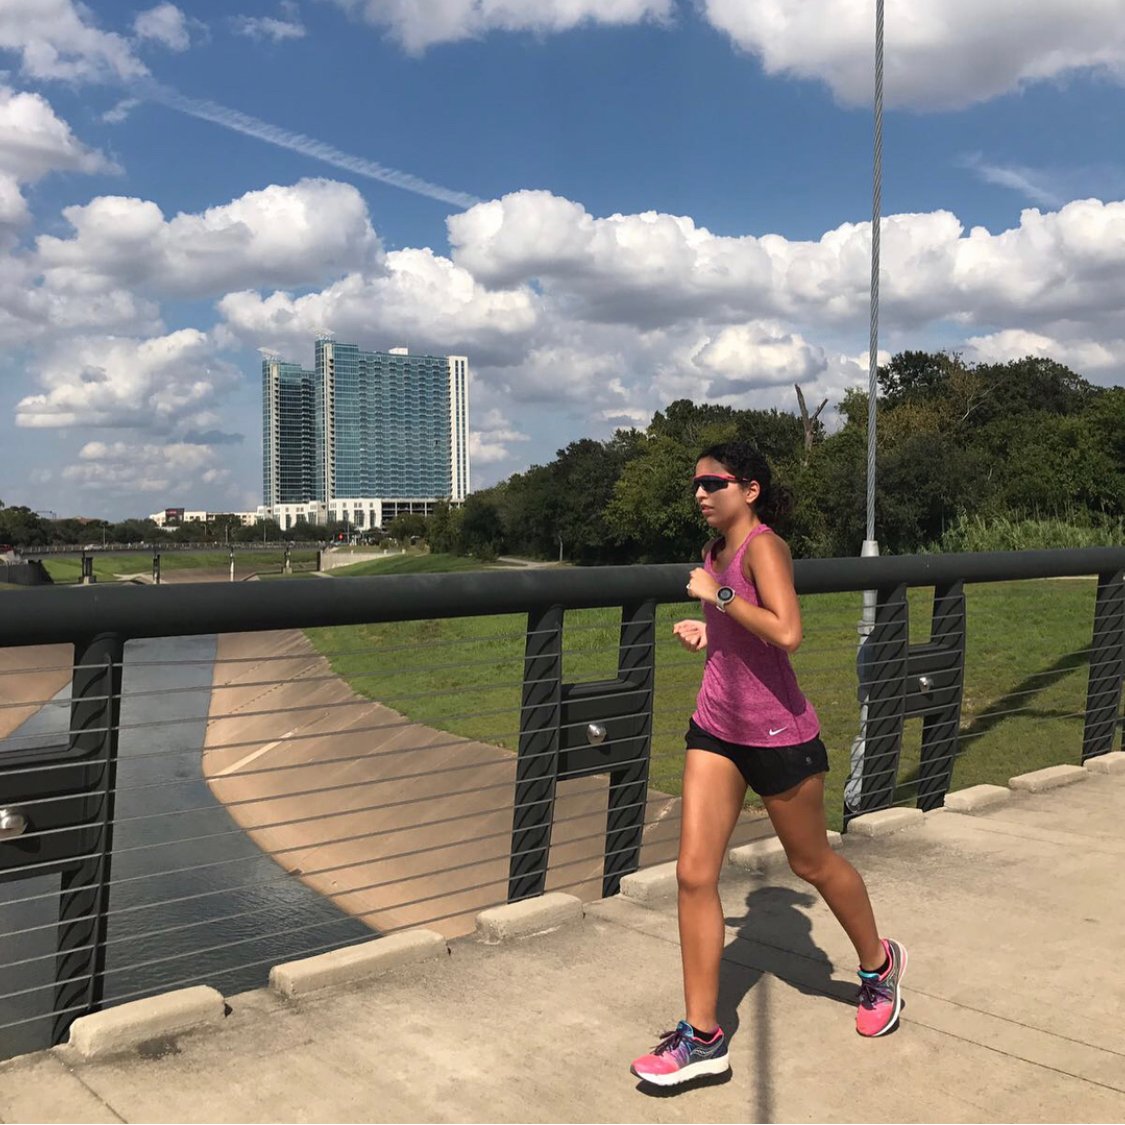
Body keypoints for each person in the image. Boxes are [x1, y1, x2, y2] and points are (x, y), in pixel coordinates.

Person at [630, 441, 906, 1088]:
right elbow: (741, 632)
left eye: (712, 482)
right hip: (715, 729)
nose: (700, 492)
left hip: (777, 734)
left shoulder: (760, 547)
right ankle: (702, 1037)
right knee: (693, 874)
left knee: (812, 862)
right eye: (695, 484)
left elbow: (786, 631)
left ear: (748, 489)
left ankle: (878, 964)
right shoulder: (714, 552)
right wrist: (709, 630)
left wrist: (719, 598)